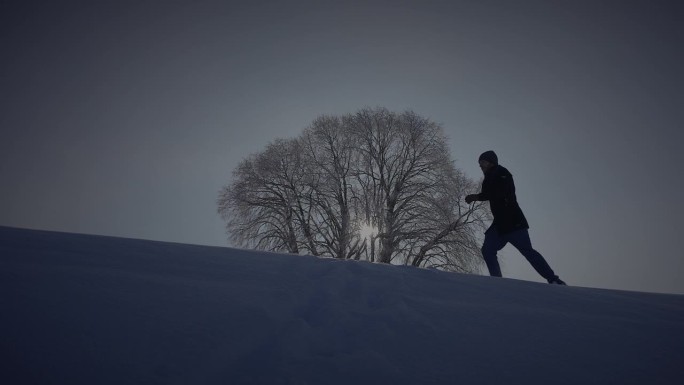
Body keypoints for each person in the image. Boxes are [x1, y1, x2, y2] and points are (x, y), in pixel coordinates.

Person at [465, 151, 566, 285]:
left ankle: (553, 279)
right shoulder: (488, 178)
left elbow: (498, 192)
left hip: (514, 223)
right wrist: (476, 197)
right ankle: (497, 282)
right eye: (479, 163)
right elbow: (487, 194)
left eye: (482, 162)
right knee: (488, 250)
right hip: (500, 225)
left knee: (528, 251)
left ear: (491, 162)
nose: (480, 166)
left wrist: (476, 197)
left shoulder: (502, 173)